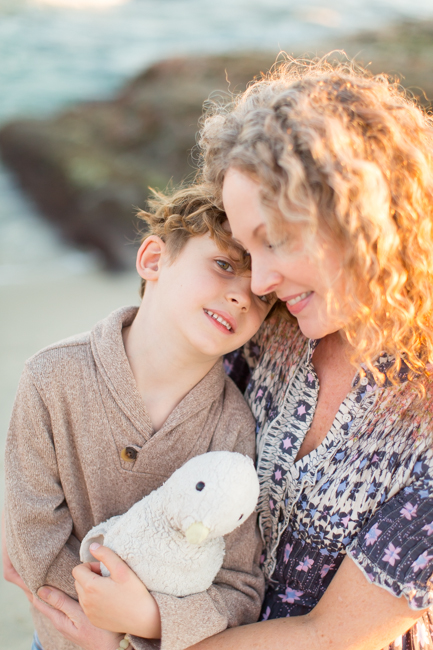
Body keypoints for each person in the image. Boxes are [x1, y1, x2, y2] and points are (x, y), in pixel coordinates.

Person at [5, 56, 433, 650]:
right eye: (245, 252)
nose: (257, 286)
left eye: (274, 242)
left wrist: (134, 631)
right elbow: (141, 392)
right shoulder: (275, 324)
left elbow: (330, 635)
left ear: (360, 224)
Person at [3, 185, 281, 650]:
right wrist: (100, 618)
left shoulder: (233, 426)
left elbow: (238, 588)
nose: (240, 296)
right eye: (224, 265)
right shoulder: (50, 379)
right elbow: (31, 538)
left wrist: (147, 619)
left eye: (259, 293)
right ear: (153, 260)